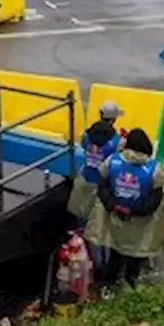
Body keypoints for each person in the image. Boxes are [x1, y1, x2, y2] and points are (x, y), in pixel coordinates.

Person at [88, 127, 164, 290]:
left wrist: (113, 206)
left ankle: (108, 287)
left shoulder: (112, 161)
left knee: (116, 254)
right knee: (135, 257)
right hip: (140, 224)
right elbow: (156, 198)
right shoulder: (154, 169)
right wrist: (136, 211)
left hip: (116, 220)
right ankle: (130, 287)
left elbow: (102, 187)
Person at [67, 101, 125, 267]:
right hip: (102, 187)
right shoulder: (116, 141)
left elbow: (85, 146)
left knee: (82, 222)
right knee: (101, 228)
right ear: (113, 120)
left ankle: (83, 256)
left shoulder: (86, 135)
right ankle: (101, 264)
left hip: (85, 180)